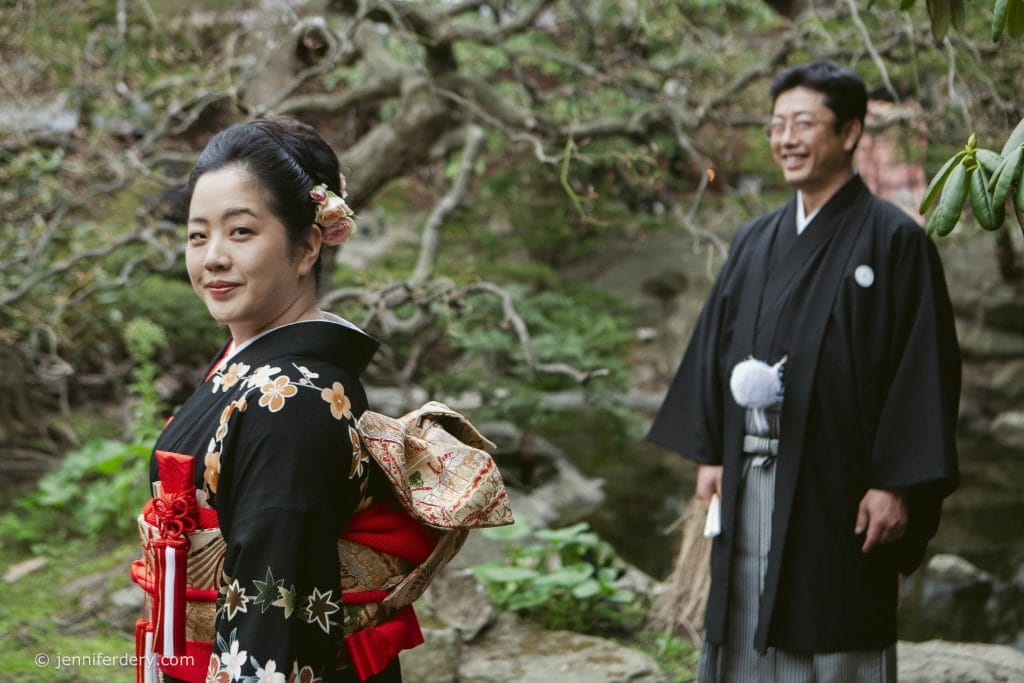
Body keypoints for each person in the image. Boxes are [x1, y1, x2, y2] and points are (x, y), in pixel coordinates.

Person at [648, 62, 960, 681]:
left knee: (834, 622)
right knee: (741, 623)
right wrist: (711, 451)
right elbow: (718, 345)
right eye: (776, 125)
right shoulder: (754, 240)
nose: (785, 138)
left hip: (839, 486)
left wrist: (897, 483)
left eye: (802, 123)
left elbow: (924, 369)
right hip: (748, 472)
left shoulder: (895, 241)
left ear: (848, 133)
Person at [130, 117, 425, 683]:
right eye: (198, 235)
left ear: (307, 246)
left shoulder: (291, 401)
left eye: (240, 232)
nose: (212, 256)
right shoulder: (248, 366)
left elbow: (275, 630)